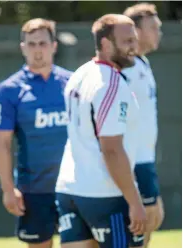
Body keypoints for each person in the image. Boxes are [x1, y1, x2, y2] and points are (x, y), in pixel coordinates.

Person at [55, 14, 147, 248]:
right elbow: (112, 149)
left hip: (69, 190)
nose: (133, 46)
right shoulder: (110, 84)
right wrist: (135, 201)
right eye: (127, 41)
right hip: (105, 194)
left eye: (134, 39)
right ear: (106, 44)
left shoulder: (79, 74)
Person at [0, 18, 72, 248]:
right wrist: (8, 189)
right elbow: (2, 144)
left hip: (74, 186)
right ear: (23, 47)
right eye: (32, 44)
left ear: (54, 46)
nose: (38, 50)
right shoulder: (9, 90)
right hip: (34, 189)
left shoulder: (73, 83)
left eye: (43, 43)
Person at [122, 3, 164, 247]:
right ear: (135, 31)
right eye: (153, 27)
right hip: (131, 161)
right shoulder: (123, 68)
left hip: (145, 158)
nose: (159, 31)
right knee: (146, 219)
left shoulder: (143, 64)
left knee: (153, 217)